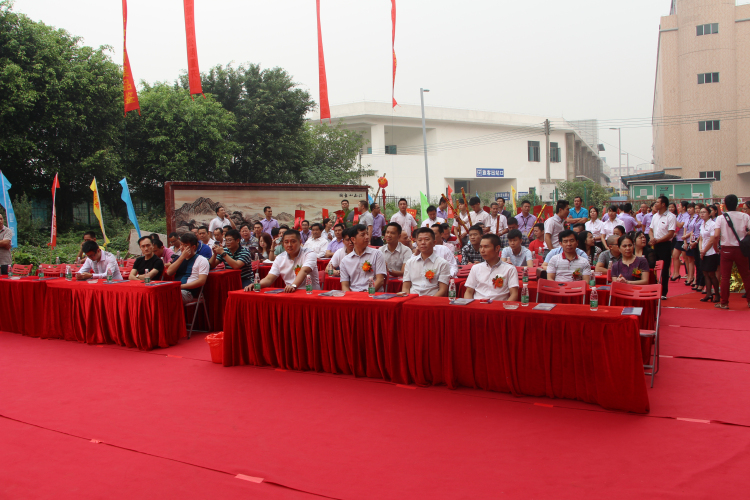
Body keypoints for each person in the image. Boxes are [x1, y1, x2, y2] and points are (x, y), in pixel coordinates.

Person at [246, 229, 320, 293]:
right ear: (283, 243)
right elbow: (269, 279)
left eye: (293, 241)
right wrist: (257, 285)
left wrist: (293, 285)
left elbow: (305, 271)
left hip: (310, 293)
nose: (289, 245)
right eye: (286, 242)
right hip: (290, 293)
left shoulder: (309, 254)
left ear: (300, 242)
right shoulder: (280, 258)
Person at [714, 194, 750, 309]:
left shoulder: (721, 218)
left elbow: (716, 235)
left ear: (725, 205)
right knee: (746, 275)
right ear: (737, 205)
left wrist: (715, 247)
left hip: (726, 248)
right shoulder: (745, 216)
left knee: (725, 277)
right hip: (741, 248)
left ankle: (724, 302)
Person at [465, 234, 519, 301]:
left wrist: (504, 306)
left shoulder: (510, 269)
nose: (482, 250)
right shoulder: (476, 268)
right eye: (481, 247)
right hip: (478, 304)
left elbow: (514, 294)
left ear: (497, 248)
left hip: (499, 305)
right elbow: (468, 292)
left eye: (486, 247)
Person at [401, 227, 450, 296]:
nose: (423, 243)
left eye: (427, 239)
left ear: (434, 243)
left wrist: (429, 301)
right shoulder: (410, 262)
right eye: (420, 240)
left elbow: (443, 290)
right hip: (412, 298)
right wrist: (408, 299)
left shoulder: (442, 263)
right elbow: (405, 287)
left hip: (432, 299)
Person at [340, 224, 387, 292]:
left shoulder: (377, 254)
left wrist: (367, 294)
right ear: (353, 239)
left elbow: (380, 280)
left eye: (367, 234)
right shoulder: (345, 261)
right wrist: (350, 297)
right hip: (354, 294)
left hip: (373, 294)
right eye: (363, 235)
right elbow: (345, 286)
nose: (367, 237)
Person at [164, 233, 210, 302]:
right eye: (181, 244)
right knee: (160, 293)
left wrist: (180, 286)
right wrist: (182, 257)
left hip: (187, 292)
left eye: (185, 245)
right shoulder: (178, 258)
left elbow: (201, 281)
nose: (181, 248)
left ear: (193, 247)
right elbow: (169, 272)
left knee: (169, 295)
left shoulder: (202, 260)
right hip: (175, 288)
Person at [649, 195, 677, 299]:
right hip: (655, 244)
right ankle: (652, 288)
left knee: (664, 269)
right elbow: (650, 230)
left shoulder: (671, 217)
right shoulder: (655, 216)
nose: (655, 204)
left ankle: (663, 292)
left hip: (665, 245)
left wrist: (658, 240)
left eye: (657, 202)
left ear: (663, 204)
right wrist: (652, 238)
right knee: (651, 266)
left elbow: (670, 234)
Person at [698, 206, 719, 302]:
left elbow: (712, 240)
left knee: (711, 274)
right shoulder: (702, 224)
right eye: (701, 212)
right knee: (705, 273)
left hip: (711, 252)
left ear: (709, 214)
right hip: (703, 251)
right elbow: (701, 238)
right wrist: (701, 250)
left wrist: (704, 251)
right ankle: (708, 294)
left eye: (704, 212)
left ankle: (717, 294)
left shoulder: (713, 224)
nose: (702, 214)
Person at [682, 203, 701, 287]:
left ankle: (695, 278)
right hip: (688, 240)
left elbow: (693, 230)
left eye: (691, 208)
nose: (689, 210)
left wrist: (686, 236)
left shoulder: (697, 218)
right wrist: (685, 241)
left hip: (694, 239)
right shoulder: (687, 218)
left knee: (695, 260)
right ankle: (690, 277)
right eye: (688, 208)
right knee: (689, 259)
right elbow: (685, 229)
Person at [671, 200, 690, 281]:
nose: (678, 207)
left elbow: (680, 225)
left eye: (680, 206)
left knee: (686, 258)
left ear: (684, 207)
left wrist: (673, 218)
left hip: (684, 238)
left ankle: (689, 275)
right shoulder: (680, 215)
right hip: (678, 238)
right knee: (675, 256)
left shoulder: (686, 216)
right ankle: (676, 273)